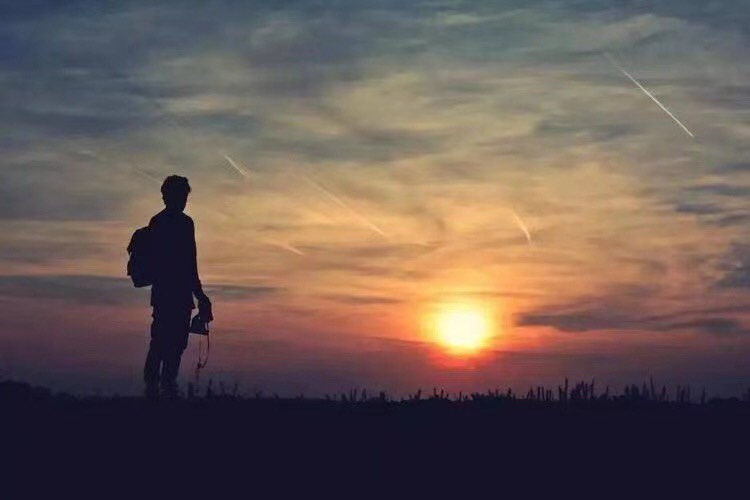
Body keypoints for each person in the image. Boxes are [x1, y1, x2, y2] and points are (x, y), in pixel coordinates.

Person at [143, 175, 212, 399]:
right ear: (168, 197)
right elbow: (188, 262)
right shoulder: (176, 224)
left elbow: (189, 263)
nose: (183, 201)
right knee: (165, 342)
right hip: (171, 293)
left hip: (171, 293)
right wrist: (199, 294)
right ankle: (159, 388)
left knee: (171, 342)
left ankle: (162, 388)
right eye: (181, 196)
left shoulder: (164, 222)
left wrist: (199, 294)